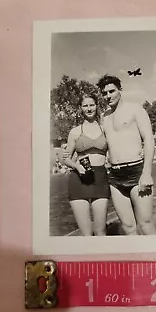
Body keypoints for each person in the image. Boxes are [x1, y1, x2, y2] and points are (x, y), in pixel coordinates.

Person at [97, 74, 156, 235]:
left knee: (145, 225)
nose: (108, 96)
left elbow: (149, 141)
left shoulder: (135, 110)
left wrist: (146, 173)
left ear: (120, 90)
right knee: (128, 227)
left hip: (136, 171)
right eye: (104, 93)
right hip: (115, 177)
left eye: (111, 91)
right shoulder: (104, 117)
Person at [62, 93, 110, 236]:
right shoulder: (75, 132)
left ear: (97, 106)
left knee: (101, 231)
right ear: (81, 108)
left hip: (100, 179)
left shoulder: (105, 129)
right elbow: (65, 158)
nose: (89, 108)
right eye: (85, 105)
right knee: (86, 234)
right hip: (79, 179)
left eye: (92, 105)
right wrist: (77, 166)